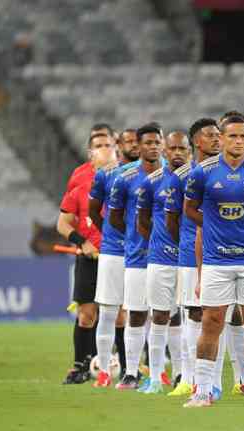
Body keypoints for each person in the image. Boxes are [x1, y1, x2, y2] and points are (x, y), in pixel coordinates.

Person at [182, 115, 244, 407]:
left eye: (243, 137)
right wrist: (215, 226)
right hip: (216, 261)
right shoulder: (203, 172)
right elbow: (189, 209)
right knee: (211, 323)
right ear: (222, 138)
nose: (238, 141)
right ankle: (202, 391)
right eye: (232, 136)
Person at [165, 119, 221, 397]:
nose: (217, 139)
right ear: (197, 141)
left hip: (222, 254)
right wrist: (187, 243)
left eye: (218, 135)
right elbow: (172, 219)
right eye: (210, 135)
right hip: (190, 255)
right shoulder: (181, 177)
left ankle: (215, 382)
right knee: (193, 313)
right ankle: (189, 378)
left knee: (216, 316)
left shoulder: (225, 171)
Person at [57, 124, 116, 384]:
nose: (105, 150)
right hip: (89, 259)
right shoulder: (80, 184)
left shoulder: (127, 179)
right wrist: (83, 242)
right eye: (99, 146)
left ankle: (127, 367)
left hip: (118, 257)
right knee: (87, 313)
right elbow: (63, 223)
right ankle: (80, 365)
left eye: (108, 145)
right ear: (90, 153)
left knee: (122, 314)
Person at [109, 123, 164, 390]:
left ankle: (168, 374)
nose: (153, 147)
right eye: (148, 143)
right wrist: (135, 236)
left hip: (168, 257)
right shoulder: (124, 178)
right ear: (138, 146)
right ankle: (131, 372)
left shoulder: (173, 175)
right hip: (138, 256)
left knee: (169, 316)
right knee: (137, 314)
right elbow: (115, 217)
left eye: (157, 142)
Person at [136, 131, 191, 394]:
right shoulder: (151, 182)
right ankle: (156, 377)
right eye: (173, 148)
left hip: (188, 260)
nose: (178, 153)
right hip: (160, 259)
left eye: (183, 148)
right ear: (165, 151)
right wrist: (159, 241)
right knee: (159, 315)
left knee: (186, 316)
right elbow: (143, 221)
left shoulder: (196, 177)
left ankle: (183, 374)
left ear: (190, 151)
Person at [88, 128, 141, 388]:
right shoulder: (106, 175)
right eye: (127, 141)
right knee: (108, 312)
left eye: (136, 141)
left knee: (142, 313)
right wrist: (111, 233)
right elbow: (94, 211)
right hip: (113, 251)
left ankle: (135, 371)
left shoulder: (157, 173)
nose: (132, 145)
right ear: (119, 145)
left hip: (143, 253)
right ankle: (105, 372)